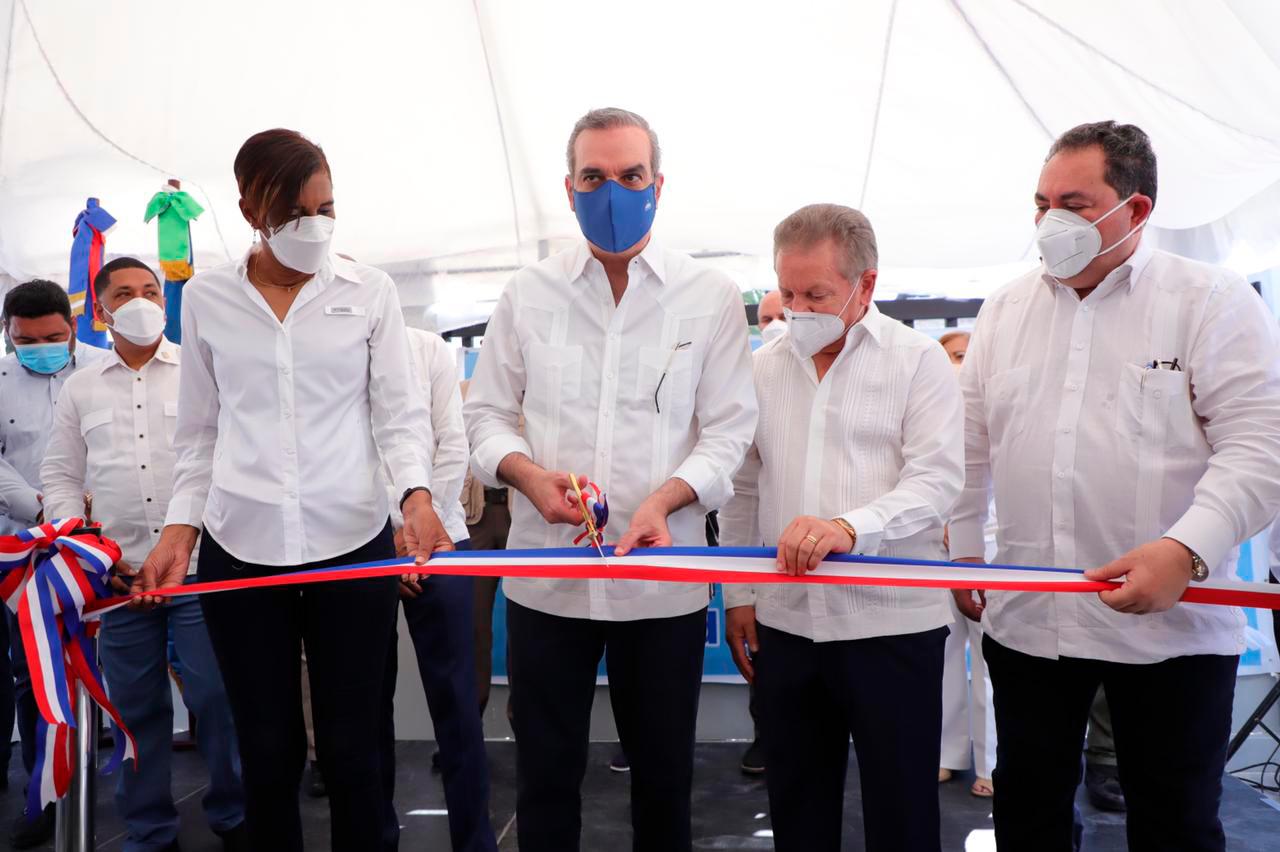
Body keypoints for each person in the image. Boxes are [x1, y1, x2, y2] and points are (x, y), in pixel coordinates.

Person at [950, 120, 1280, 852]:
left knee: (1175, 820)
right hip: (1030, 619)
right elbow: (968, 445)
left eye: (1073, 201)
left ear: (1135, 209)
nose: (1049, 221)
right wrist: (963, 546)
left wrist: (1184, 550)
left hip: (1173, 625)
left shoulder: (1212, 303)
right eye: (1040, 203)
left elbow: (1262, 448)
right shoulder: (1006, 309)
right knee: (1028, 812)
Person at [139, 128, 451, 852]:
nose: (315, 226)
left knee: (352, 747)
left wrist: (417, 498)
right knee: (268, 747)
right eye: (294, 211)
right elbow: (199, 435)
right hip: (240, 545)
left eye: (327, 207)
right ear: (251, 209)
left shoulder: (368, 291)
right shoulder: (211, 300)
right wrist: (180, 531)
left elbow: (398, 418)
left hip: (350, 542)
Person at [464, 107, 757, 852]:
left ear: (659, 183)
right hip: (546, 577)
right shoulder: (528, 294)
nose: (614, 193)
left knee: (663, 783)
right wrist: (527, 476)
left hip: (662, 581)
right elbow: (486, 417)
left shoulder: (709, 295)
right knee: (544, 777)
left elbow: (729, 430)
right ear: (569, 189)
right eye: (595, 177)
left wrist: (665, 498)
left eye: (631, 176)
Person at [721, 203, 963, 852]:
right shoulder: (763, 366)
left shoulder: (918, 362)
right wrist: (739, 595)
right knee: (797, 808)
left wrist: (850, 528)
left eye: (817, 294)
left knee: (903, 813)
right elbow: (745, 486)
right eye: (788, 292)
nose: (798, 310)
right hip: (786, 622)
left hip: (891, 626)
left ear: (867, 286)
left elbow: (937, 482)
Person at [40, 257, 246, 852]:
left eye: (151, 291)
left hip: (201, 568)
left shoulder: (200, 370)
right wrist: (81, 542)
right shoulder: (81, 386)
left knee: (216, 694)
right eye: (124, 293)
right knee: (135, 707)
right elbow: (59, 473)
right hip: (118, 577)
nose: (141, 301)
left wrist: (196, 535)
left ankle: (235, 812)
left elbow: (224, 456)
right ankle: (149, 827)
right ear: (100, 312)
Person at [380, 327, 497, 851]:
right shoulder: (315, 351)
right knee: (363, 703)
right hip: (360, 545)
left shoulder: (426, 348)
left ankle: (474, 840)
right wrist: (392, 534)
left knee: (458, 700)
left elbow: (452, 440)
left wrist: (421, 530)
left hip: (442, 536)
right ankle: (375, 834)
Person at [0, 279, 107, 847]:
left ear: (73, 327)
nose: (41, 346)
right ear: (8, 334)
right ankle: (45, 796)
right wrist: (43, 508)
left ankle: (134, 788)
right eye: (26, 340)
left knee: (123, 669)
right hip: (27, 548)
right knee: (33, 674)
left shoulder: (106, 367)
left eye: (54, 337)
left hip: (106, 546)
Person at [936, 330, 996, 798]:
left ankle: (992, 765)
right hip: (933, 551)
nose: (963, 364)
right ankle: (944, 754)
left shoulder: (995, 410)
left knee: (992, 659)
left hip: (991, 549)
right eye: (954, 356)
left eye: (969, 356)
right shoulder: (925, 413)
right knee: (942, 656)